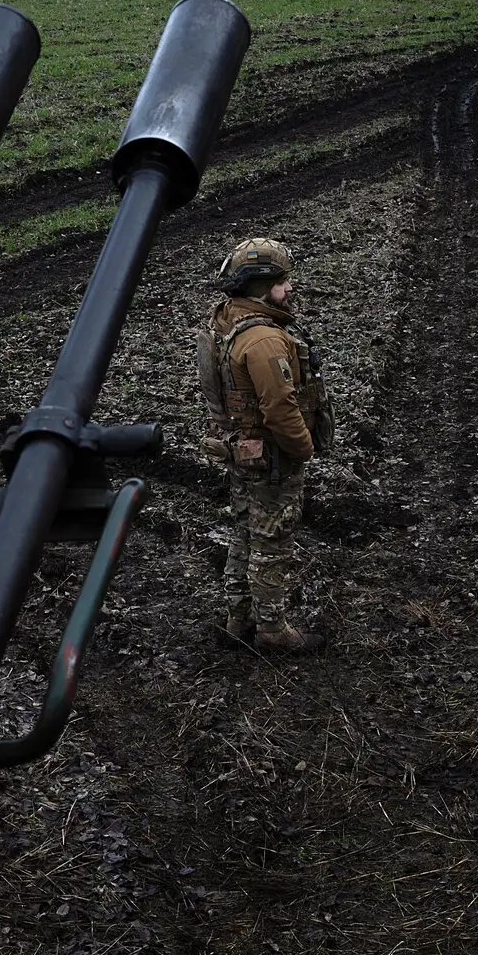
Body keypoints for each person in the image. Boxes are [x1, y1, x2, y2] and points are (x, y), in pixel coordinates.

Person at [199, 238, 332, 653]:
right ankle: (272, 631)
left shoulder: (225, 323)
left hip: (242, 451)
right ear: (261, 287)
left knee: (244, 534)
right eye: (282, 281)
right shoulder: (263, 340)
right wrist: (303, 450)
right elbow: (279, 405)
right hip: (271, 458)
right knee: (272, 542)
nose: (289, 288)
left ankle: (237, 620)